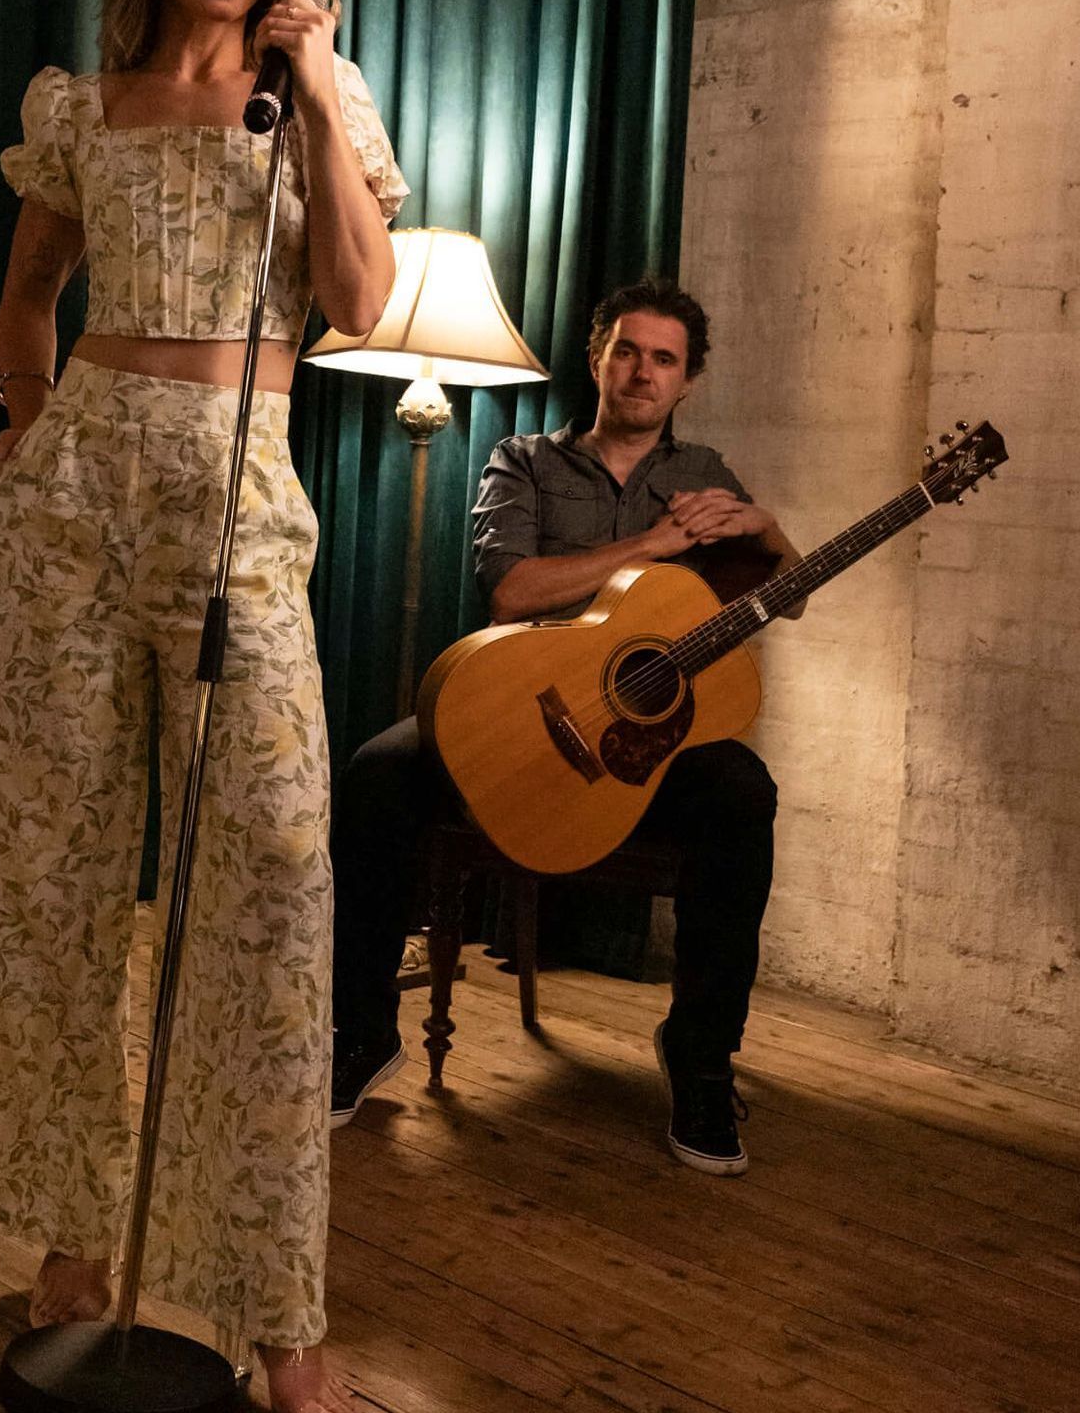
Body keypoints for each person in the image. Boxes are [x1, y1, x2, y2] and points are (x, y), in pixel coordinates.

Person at [0, 0, 406, 1412]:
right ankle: (75, 1235)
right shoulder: (85, 107)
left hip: (239, 499)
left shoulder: (318, 104)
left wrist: (327, 103)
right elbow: (28, 292)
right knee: (59, 860)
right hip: (77, 494)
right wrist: (20, 417)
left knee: (272, 870)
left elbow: (355, 302)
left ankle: (274, 1303)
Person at [329, 280, 800, 1176]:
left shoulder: (708, 479)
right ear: (597, 359)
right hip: (512, 709)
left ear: (687, 381)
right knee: (376, 776)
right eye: (627, 352)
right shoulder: (524, 460)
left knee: (744, 797)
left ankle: (701, 1059)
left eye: (664, 360)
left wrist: (766, 528)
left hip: (634, 739)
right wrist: (647, 548)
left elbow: (780, 602)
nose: (641, 373)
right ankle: (361, 1032)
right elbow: (510, 590)